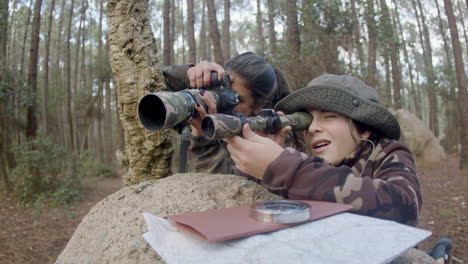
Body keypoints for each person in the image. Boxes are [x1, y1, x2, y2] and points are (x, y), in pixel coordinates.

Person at [224, 73, 422, 226]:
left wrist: (284, 168)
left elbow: (405, 206)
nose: (312, 128)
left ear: (365, 128)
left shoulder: (389, 153)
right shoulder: (309, 163)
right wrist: (264, 167)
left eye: (329, 116)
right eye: (308, 121)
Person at [160, 52, 296, 174]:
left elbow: (222, 193)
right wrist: (189, 73)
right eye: (221, 92)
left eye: (235, 99)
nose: (219, 103)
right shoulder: (197, 113)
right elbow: (149, 82)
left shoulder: (271, 140)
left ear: (259, 106)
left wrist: (206, 135)